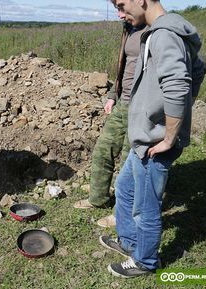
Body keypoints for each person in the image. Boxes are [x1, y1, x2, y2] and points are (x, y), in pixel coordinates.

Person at [99, 0, 206, 278]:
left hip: (154, 143)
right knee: (124, 189)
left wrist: (170, 136)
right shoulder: (159, 30)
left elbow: (178, 84)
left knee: (146, 208)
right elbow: (199, 68)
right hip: (144, 138)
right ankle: (130, 242)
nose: (120, 13)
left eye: (122, 5)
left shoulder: (165, 35)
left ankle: (146, 261)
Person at [73, 3, 146, 229]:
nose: (119, 14)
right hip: (122, 103)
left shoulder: (158, 30)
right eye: (117, 7)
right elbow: (123, 66)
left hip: (141, 109)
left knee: (128, 163)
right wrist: (113, 94)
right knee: (103, 150)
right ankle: (98, 198)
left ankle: (121, 215)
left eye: (122, 6)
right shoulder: (130, 27)